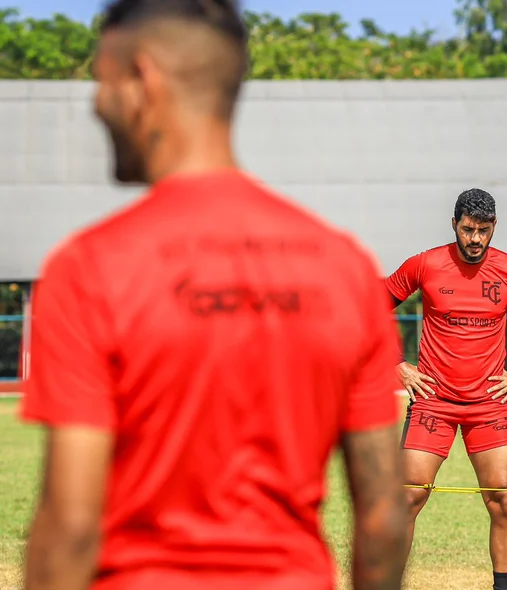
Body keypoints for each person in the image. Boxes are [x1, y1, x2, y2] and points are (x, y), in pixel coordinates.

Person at [19, 1, 408, 589]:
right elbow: (383, 519)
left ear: (142, 79)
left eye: (101, 82)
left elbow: (72, 529)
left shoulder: (91, 267)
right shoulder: (345, 267)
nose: (96, 106)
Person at [385, 187, 507, 590]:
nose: (474, 239)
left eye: (482, 230)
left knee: (504, 503)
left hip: (489, 406)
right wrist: (397, 364)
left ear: (494, 227)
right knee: (407, 498)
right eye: (467, 229)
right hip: (433, 403)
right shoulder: (425, 264)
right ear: (454, 225)